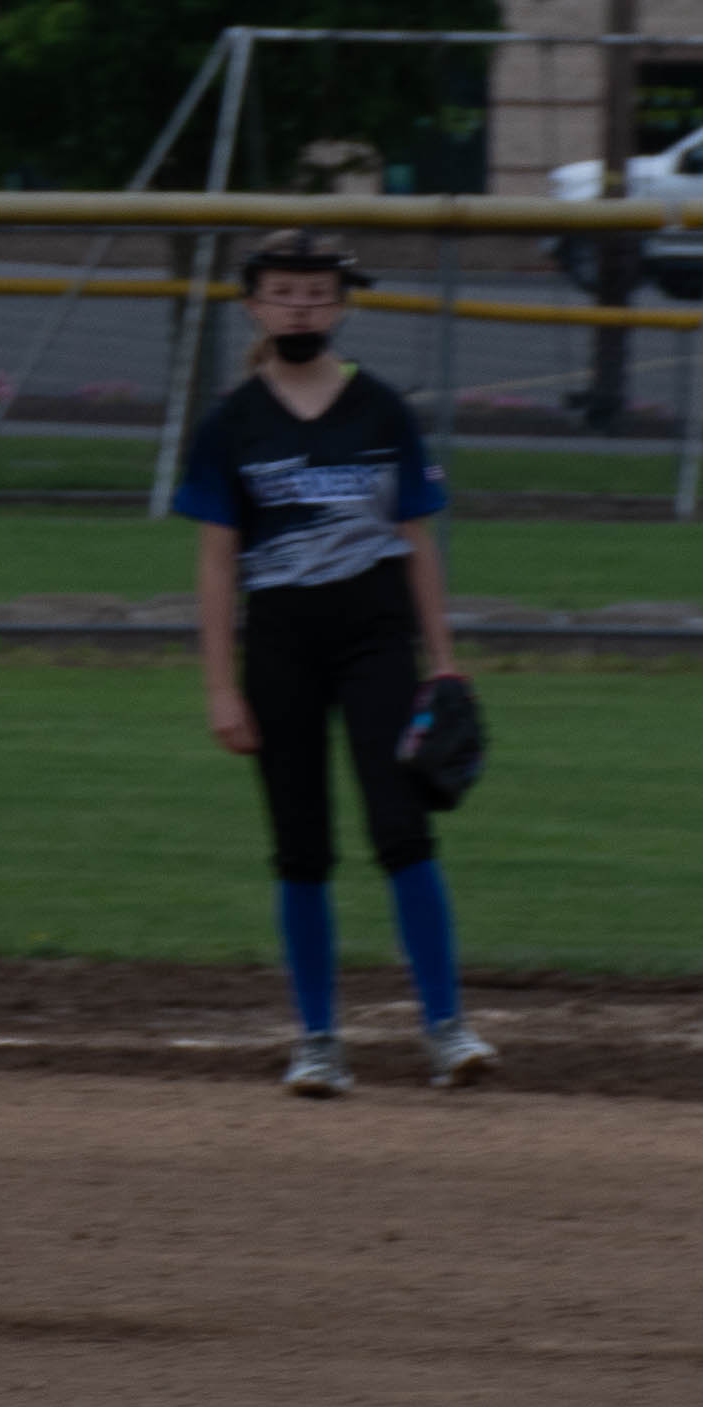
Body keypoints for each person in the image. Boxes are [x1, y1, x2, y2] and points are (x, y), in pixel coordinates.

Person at [179, 229, 490, 1101]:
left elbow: (416, 539)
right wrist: (219, 684)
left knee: (402, 828)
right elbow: (214, 563)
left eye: (319, 292)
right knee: (301, 846)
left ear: (343, 304)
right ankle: (318, 1043)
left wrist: (446, 662)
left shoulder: (381, 408)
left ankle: (447, 1030)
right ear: (255, 306)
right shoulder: (232, 423)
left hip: (374, 636)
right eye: (285, 291)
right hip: (279, 643)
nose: (302, 306)